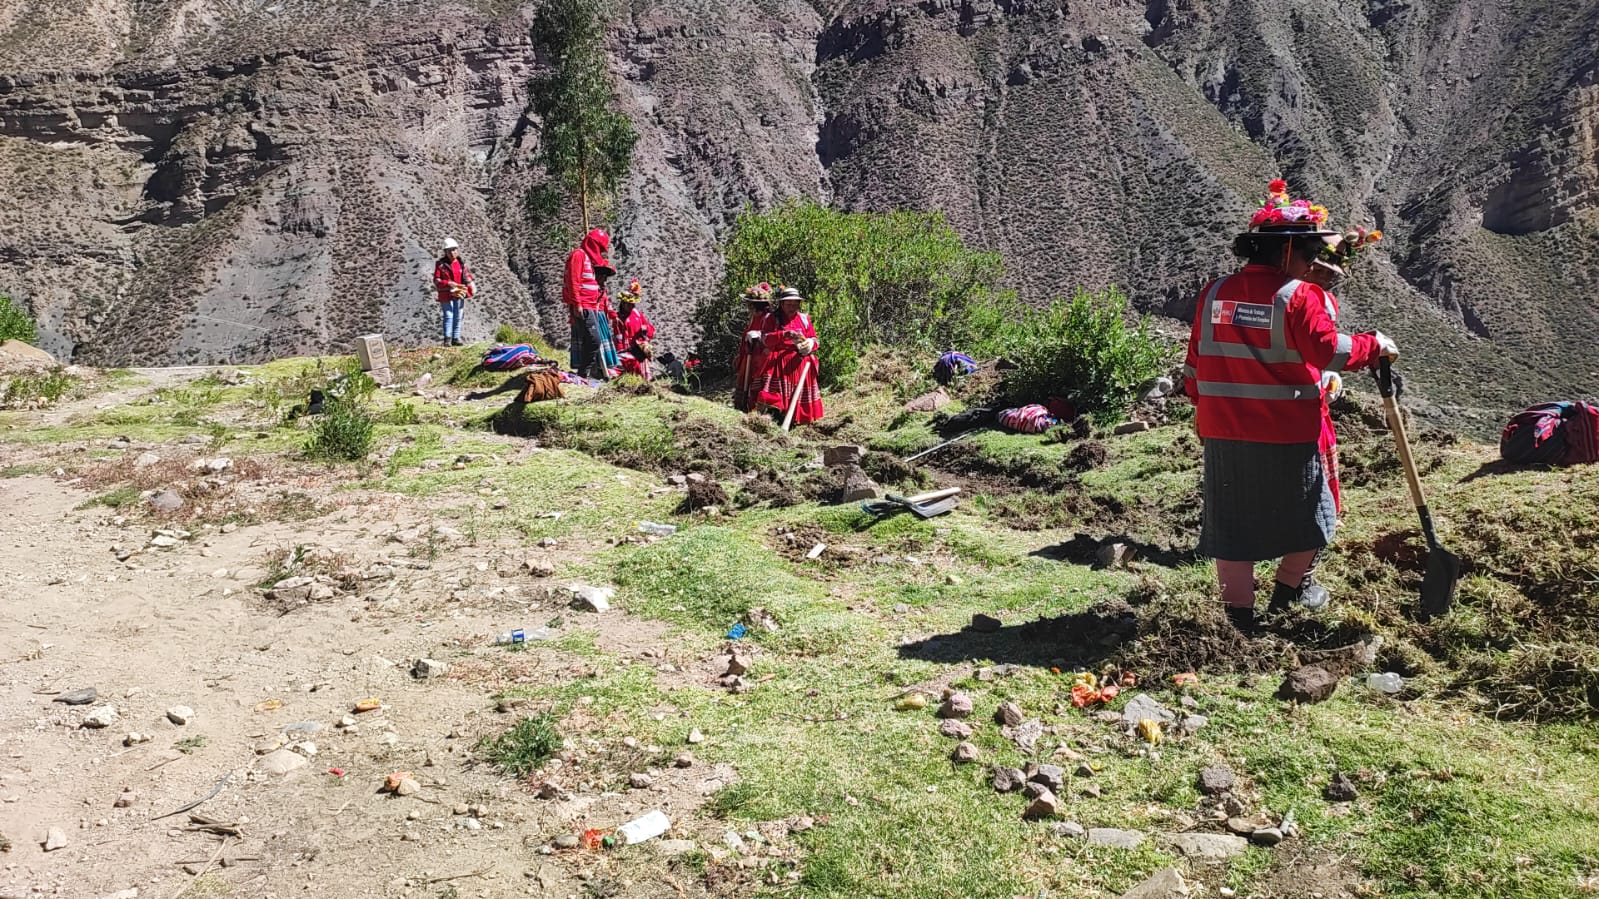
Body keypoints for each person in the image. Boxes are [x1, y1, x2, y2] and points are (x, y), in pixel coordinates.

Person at [1181, 180, 1398, 633]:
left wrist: (1210, 408)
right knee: (1314, 512)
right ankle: (1289, 591)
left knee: (1232, 521)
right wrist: (1373, 345)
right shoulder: (1299, 296)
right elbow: (1328, 351)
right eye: (1307, 253)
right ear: (1287, 253)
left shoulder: (1214, 292)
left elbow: (1195, 365)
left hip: (1222, 427)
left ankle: (1236, 618)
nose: (1311, 262)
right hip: (1287, 431)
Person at [754, 285, 823, 425]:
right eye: (789, 303)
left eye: (795, 303)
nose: (792, 306)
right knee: (776, 369)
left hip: (800, 357)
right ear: (782, 303)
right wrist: (783, 335)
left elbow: (815, 339)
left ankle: (798, 416)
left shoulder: (804, 319)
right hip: (779, 357)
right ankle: (776, 412)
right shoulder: (772, 318)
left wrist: (809, 344)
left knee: (807, 363)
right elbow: (765, 339)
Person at [563, 229, 619, 380]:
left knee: (590, 339)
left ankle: (588, 373)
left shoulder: (588, 259)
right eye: (599, 248)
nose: (600, 252)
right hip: (584, 305)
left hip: (590, 306)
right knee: (594, 340)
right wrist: (577, 304)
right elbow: (573, 280)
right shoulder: (579, 255)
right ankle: (583, 373)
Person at [733, 282, 773, 411]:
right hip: (749, 356)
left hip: (761, 358)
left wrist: (758, 336)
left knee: (757, 385)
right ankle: (744, 407)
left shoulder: (768, 318)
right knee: (746, 383)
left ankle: (756, 409)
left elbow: (771, 336)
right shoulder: (753, 318)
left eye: (749, 305)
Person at [610, 279, 656, 378]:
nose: (631, 306)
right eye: (629, 304)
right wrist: (621, 351)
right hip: (627, 350)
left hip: (640, 349)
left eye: (632, 304)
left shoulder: (637, 314)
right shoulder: (618, 319)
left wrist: (645, 331)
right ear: (623, 303)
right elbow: (618, 338)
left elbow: (650, 328)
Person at [433, 238, 475, 346]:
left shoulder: (461, 263)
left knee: (458, 315)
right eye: (450, 250)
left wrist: (471, 284)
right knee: (448, 315)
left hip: (459, 292)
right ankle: (447, 339)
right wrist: (448, 283)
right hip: (446, 294)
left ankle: (456, 338)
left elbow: (466, 276)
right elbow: (437, 280)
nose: (453, 253)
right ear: (445, 252)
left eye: (454, 250)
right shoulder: (441, 265)